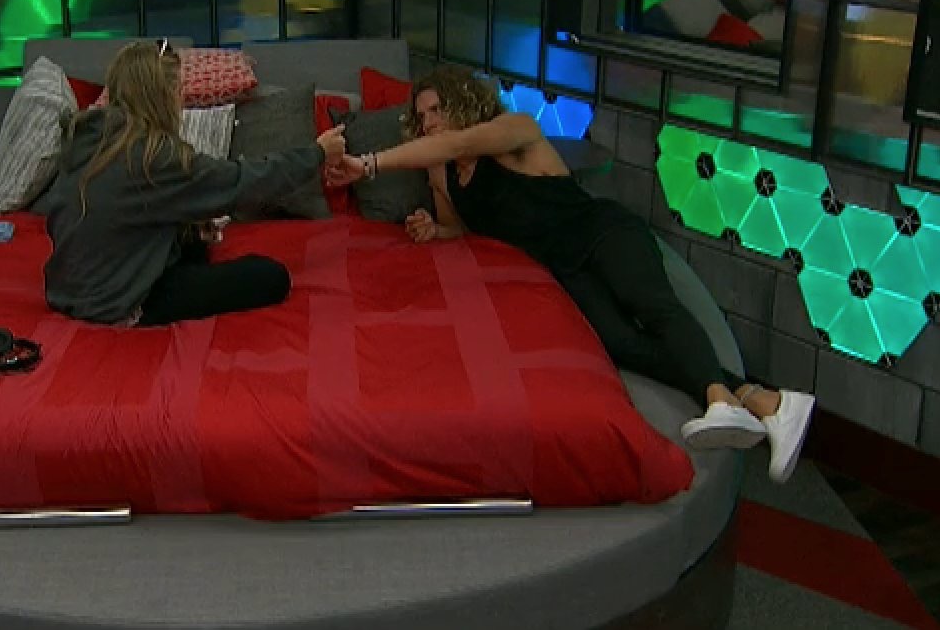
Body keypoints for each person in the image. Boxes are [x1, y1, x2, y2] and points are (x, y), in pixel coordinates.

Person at [325, 65, 816, 484]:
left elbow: (461, 141)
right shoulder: (445, 172)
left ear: (462, 104)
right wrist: (434, 228)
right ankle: (766, 400)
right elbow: (461, 229)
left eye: (437, 110)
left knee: (651, 306)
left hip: (600, 233)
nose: (429, 122)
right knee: (621, 342)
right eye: (422, 116)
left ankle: (718, 399)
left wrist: (367, 165)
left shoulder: (510, 131)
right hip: (561, 265)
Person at [43, 38, 347, 327]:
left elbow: (113, 210)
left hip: (66, 292)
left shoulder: (85, 138)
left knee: (193, 239)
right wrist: (317, 153)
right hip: (118, 301)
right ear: (161, 97)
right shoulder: (153, 156)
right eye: (178, 91)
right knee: (271, 277)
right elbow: (243, 180)